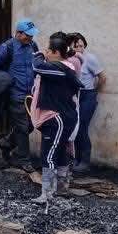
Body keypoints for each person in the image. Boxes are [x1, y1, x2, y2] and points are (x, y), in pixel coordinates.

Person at [29, 31, 83, 203]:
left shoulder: (61, 68)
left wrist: (38, 54)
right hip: (60, 117)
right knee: (59, 153)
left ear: (56, 53)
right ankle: (61, 188)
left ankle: (47, 193)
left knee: (49, 154)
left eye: (48, 50)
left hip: (57, 118)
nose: (46, 52)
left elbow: (37, 66)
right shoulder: (61, 67)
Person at [0, 18, 39, 167]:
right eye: (28, 35)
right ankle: (24, 161)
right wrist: (4, 82)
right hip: (15, 94)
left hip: (31, 95)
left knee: (30, 126)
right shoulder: (7, 47)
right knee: (23, 127)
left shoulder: (33, 45)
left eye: (32, 35)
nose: (30, 38)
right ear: (18, 33)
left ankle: (6, 142)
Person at [70, 32, 106, 173]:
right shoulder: (70, 59)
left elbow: (102, 77)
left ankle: (84, 162)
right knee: (74, 128)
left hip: (87, 96)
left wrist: (94, 91)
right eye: (76, 46)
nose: (80, 48)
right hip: (75, 96)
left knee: (82, 128)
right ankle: (76, 159)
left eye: (82, 45)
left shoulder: (89, 58)